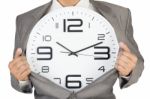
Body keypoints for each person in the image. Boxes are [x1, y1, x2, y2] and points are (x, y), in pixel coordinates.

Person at [9, 0, 144, 99]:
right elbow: (20, 80)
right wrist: (21, 78)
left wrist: (129, 70)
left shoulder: (119, 14)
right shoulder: (25, 20)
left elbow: (137, 62)